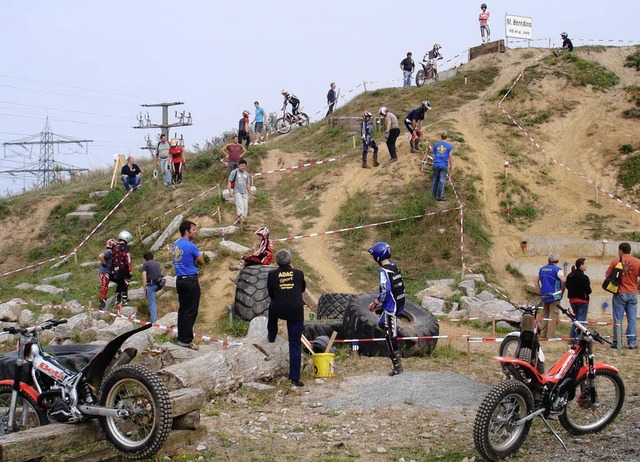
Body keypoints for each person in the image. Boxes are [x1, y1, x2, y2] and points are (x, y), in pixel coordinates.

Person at [266, 248, 307, 387]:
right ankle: (294, 378)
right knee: (295, 343)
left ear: (276, 261)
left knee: (271, 308)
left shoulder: (272, 274)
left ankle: (272, 334)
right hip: (296, 310)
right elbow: (301, 289)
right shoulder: (299, 274)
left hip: (278, 308)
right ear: (290, 260)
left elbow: (270, 292)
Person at [368, 242, 406, 376]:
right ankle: (397, 331)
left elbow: (385, 289)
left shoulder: (383, 271)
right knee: (380, 324)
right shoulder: (394, 267)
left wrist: (376, 302)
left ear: (377, 257)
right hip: (398, 302)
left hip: (391, 306)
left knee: (390, 336)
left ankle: (398, 367)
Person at [171, 220, 204, 350]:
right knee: (191, 310)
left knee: (183, 310)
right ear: (187, 231)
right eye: (194, 230)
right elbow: (201, 261)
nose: (195, 232)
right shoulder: (190, 246)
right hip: (190, 280)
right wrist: (195, 260)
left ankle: (181, 338)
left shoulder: (175, 245)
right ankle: (187, 340)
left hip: (180, 279)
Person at [606, 242, 640, 349]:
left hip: (620, 292)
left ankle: (617, 341)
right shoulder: (637, 262)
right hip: (633, 292)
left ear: (620, 250)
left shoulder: (616, 261)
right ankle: (632, 342)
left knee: (618, 318)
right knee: (632, 319)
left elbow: (608, 274)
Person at [535, 253, 566, 339]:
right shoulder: (557, 270)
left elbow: (535, 281)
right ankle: (551, 336)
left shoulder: (542, 269)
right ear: (557, 260)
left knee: (545, 315)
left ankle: (543, 335)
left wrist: (539, 292)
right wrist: (562, 291)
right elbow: (563, 280)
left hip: (544, 295)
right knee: (553, 316)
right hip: (555, 295)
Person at [565, 258, 591, 344]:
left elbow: (567, 286)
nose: (586, 265)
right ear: (581, 265)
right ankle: (577, 340)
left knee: (575, 320)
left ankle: (572, 338)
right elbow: (588, 290)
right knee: (581, 321)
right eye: (585, 264)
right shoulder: (584, 277)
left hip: (572, 300)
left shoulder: (570, 275)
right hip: (582, 301)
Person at [111, 230, 134, 309]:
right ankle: (124, 301)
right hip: (123, 268)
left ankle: (117, 301)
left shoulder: (115, 247)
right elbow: (127, 258)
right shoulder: (125, 247)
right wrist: (130, 268)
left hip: (116, 269)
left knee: (119, 285)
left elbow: (113, 259)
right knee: (125, 284)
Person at [228, 158, 252, 229]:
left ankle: (241, 221)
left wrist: (250, 193)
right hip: (237, 192)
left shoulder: (246, 174)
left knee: (245, 207)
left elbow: (248, 184)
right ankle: (242, 222)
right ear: (239, 165)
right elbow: (229, 181)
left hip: (244, 193)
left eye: (244, 166)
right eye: (241, 166)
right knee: (240, 206)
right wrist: (230, 191)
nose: (243, 167)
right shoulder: (234, 172)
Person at [430, 131, 454, 201]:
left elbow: (433, 155)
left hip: (436, 164)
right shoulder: (449, 146)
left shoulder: (436, 145)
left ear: (440, 136)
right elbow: (450, 157)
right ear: (447, 137)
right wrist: (451, 167)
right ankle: (440, 196)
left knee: (435, 180)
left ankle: (433, 195)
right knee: (442, 180)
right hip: (444, 165)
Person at [142, 251, 164, 323]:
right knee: (152, 300)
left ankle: (154, 322)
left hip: (151, 285)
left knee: (152, 303)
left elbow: (144, 276)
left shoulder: (145, 264)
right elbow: (161, 273)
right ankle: (151, 314)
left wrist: (145, 288)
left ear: (145, 259)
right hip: (159, 284)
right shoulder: (157, 263)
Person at [98, 238, 117, 309]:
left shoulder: (111, 252)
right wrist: (105, 264)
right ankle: (102, 303)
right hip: (104, 272)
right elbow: (100, 256)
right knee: (104, 286)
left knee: (105, 286)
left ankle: (103, 301)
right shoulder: (108, 251)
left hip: (108, 272)